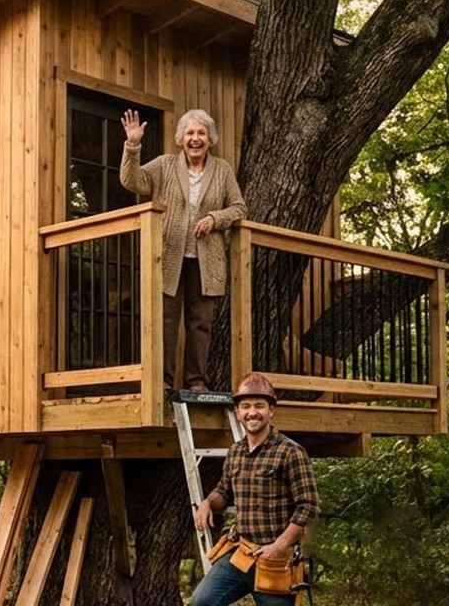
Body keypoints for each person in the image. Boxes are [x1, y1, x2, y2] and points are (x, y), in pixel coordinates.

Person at [120, 108, 246, 392]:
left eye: (201, 133)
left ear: (210, 139)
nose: (195, 138)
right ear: (181, 138)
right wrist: (132, 145)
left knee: (200, 324)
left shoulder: (222, 170)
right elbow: (132, 181)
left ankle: (196, 382)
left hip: (206, 261)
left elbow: (239, 207)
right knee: (165, 322)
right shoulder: (164, 165)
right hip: (169, 256)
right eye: (190, 133)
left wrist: (214, 218)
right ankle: (163, 381)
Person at [190, 373, 319, 606]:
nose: (252, 412)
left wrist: (279, 546)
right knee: (202, 601)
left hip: (275, 561)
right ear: (237, 412)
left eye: (259, 406)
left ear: (271, 410)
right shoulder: (235, 452)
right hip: (242, 554)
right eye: (246, 406)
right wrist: (207, 503)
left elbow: (308, 506)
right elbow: (224, 491)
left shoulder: (291, 452)